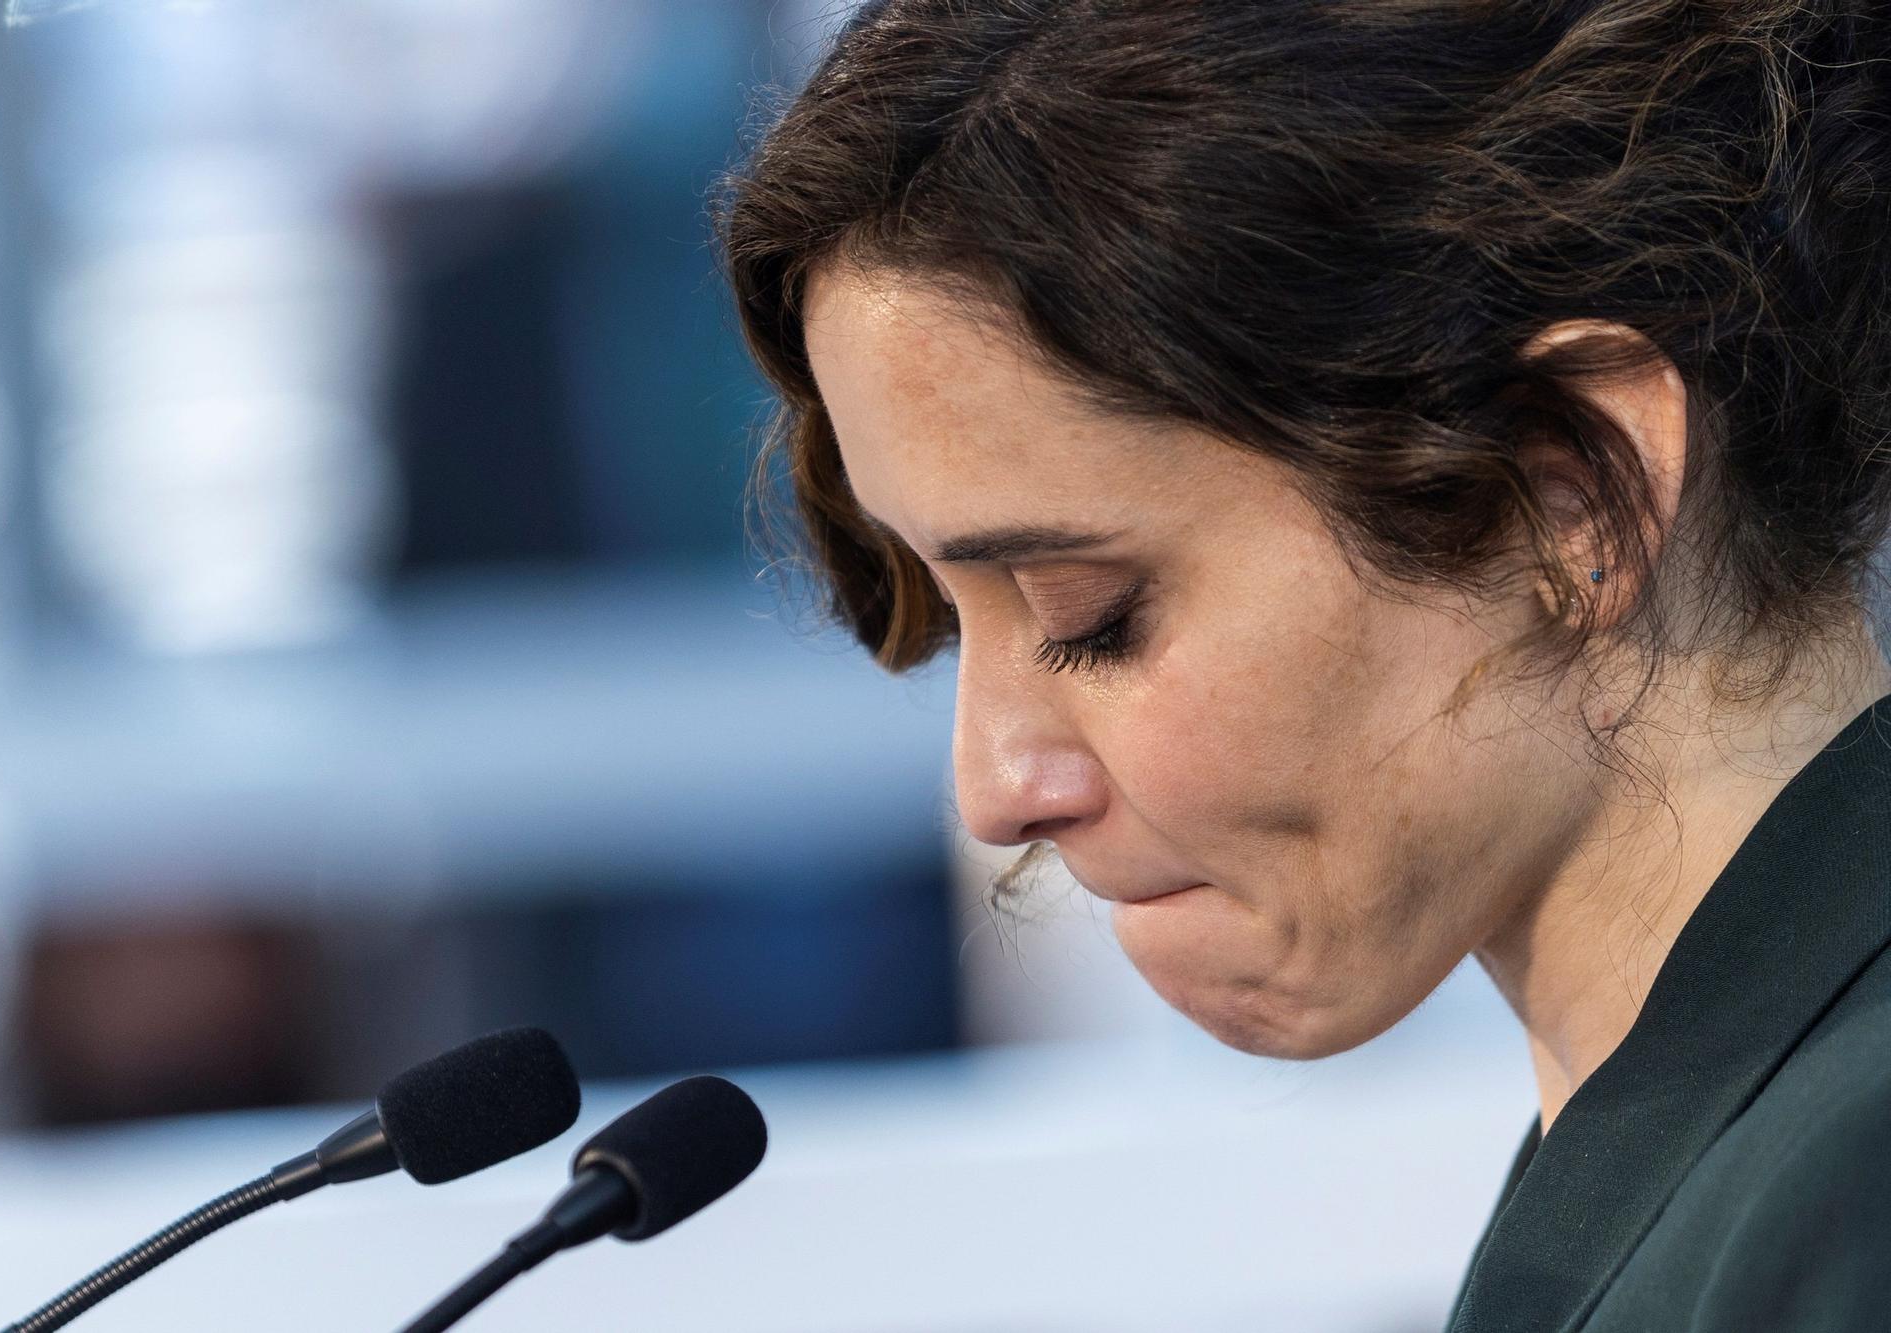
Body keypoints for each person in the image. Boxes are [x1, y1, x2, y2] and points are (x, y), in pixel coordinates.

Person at [713, 0, 1891, 1327]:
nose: (994, 786)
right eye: (943, 606)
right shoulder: (1704, 1153)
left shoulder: (1842, 1195)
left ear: (1573, 490)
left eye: (1093, 613)